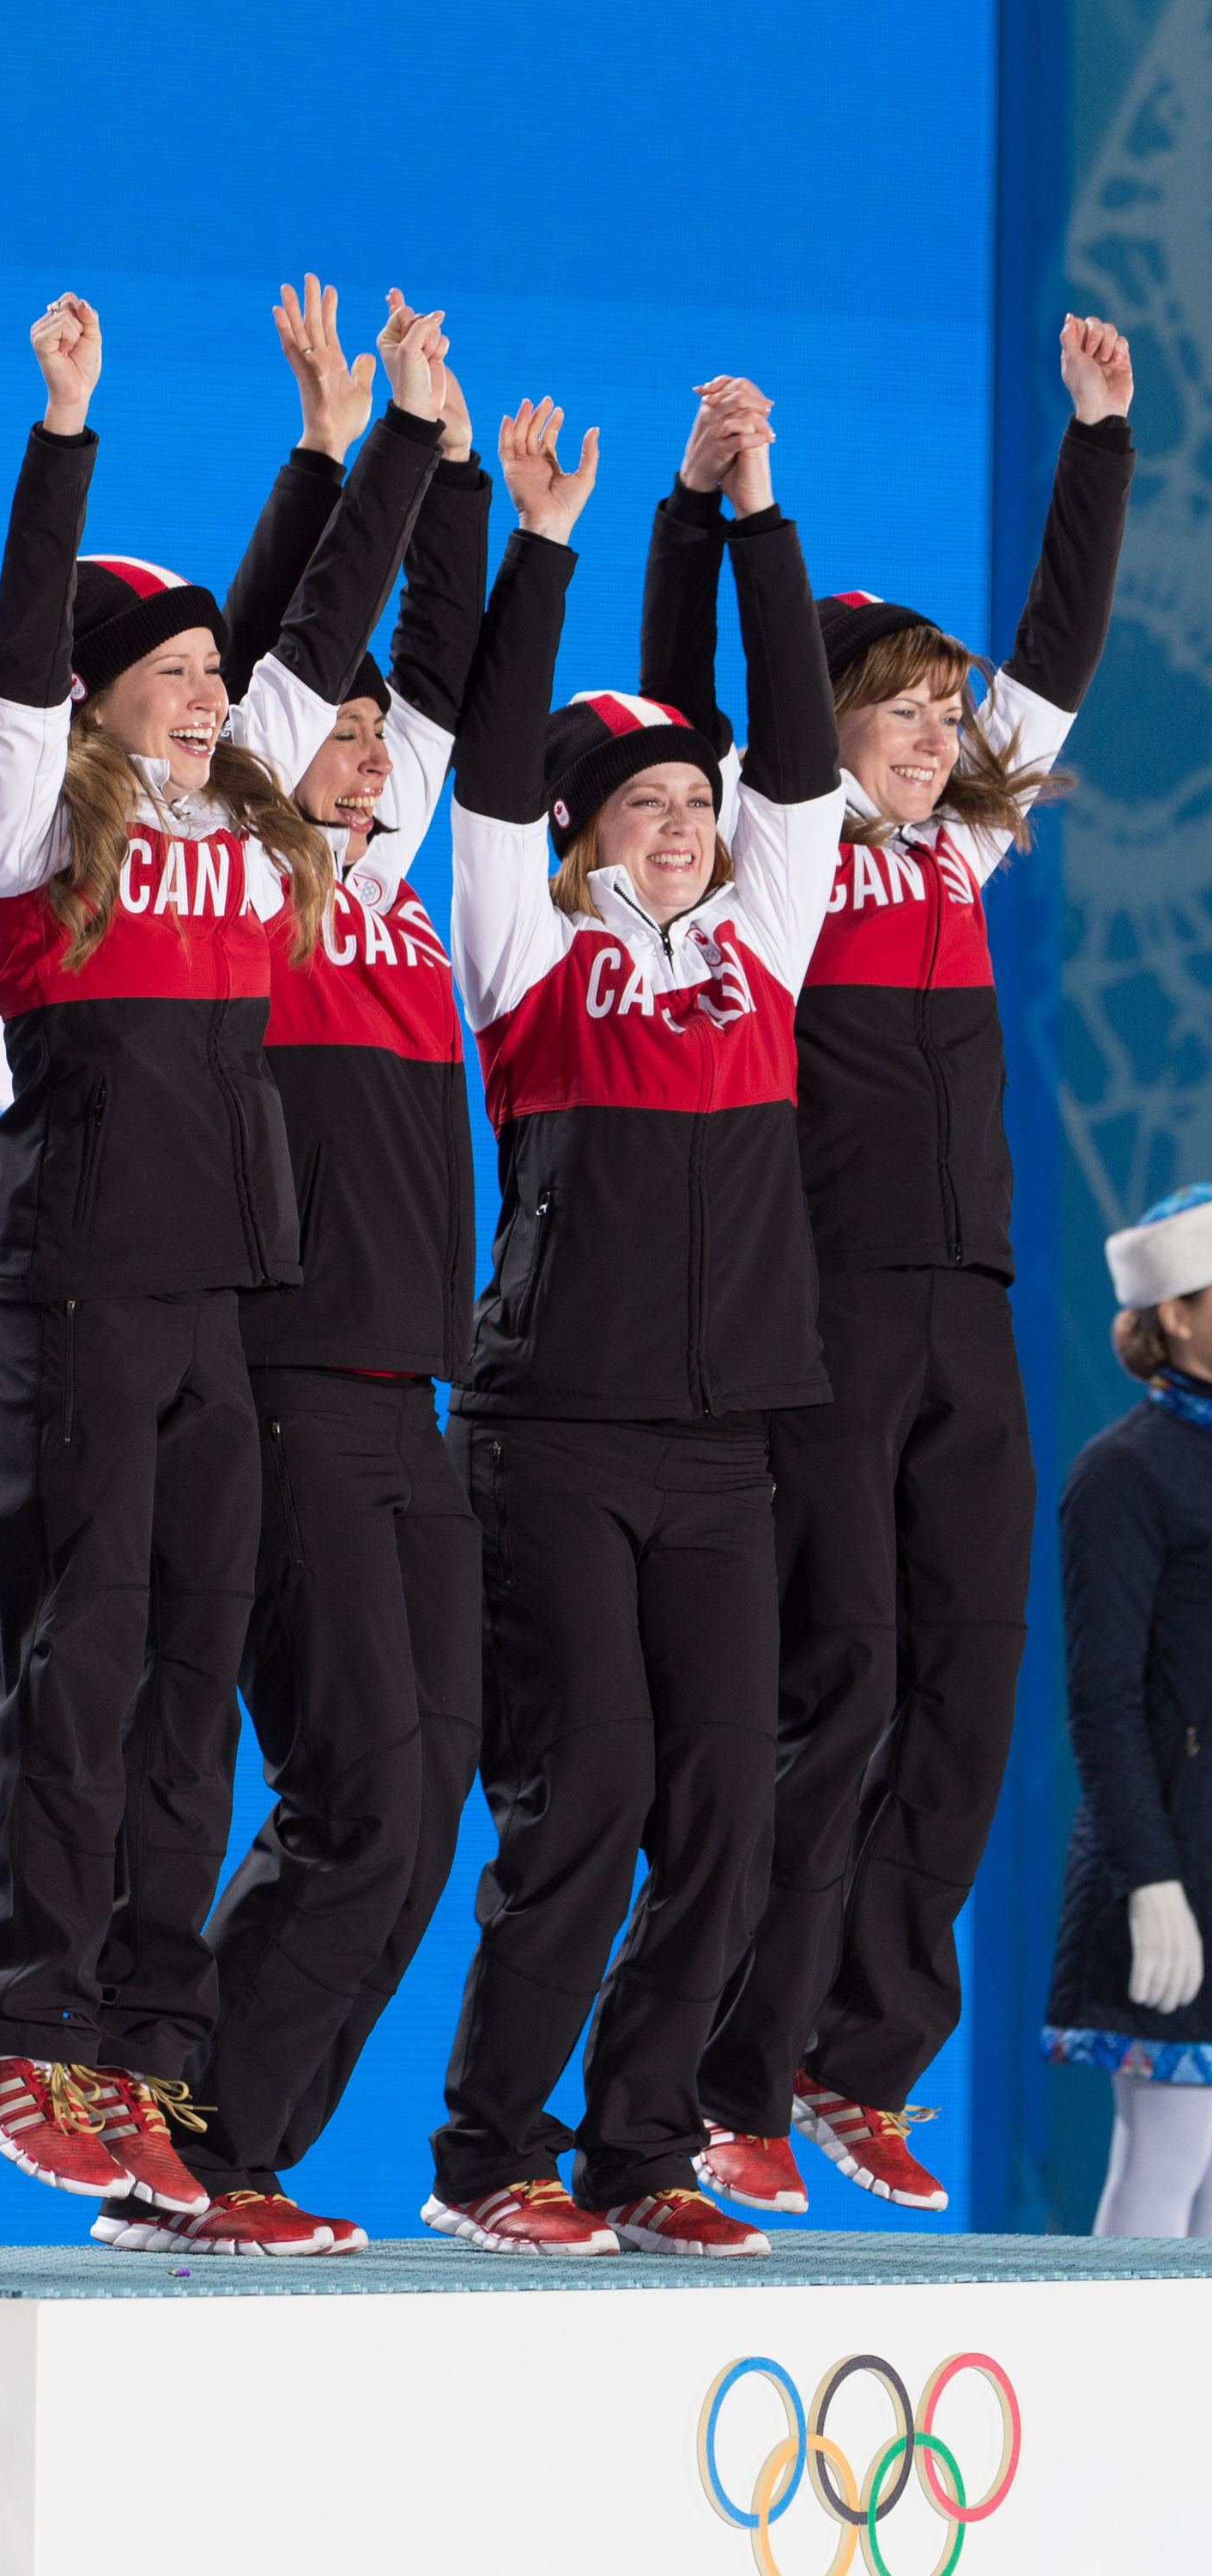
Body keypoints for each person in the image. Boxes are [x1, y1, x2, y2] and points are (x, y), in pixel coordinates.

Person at [0, 288, 450, 2224]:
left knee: (190, 1676)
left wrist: (367, 444)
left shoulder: (250, 833)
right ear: (104, 690)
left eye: (218, 673)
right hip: (72, 1288)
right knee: (80, 1656)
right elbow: (18, 652)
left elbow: (307, 639)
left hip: (219, 1304)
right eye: (178, 670)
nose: (218, 692)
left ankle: (141, 2049)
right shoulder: (28, 827)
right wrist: (62, 431)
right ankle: (16, 2021)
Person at [688, 318, 1136, 2218]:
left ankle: (860, 2058)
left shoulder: (958, 853)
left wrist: (1100, 445)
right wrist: (735, 516)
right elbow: (750, 703)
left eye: (951, 712)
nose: (947, 729)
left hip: (973, 1308)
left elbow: (1055, 660)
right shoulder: (770, 848)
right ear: (832, 716)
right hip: (835, 1302)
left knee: (967, 1687)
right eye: (908, 705)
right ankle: (736, 2065)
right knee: (840, 1678)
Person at [425, 378, 845, 2257]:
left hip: (726, 1443)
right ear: (588, 836)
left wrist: (756, 515)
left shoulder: (762, 947)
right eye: (648, 810)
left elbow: (807, 765)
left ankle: (640, 2150)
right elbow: (495, 776)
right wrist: (545, 545)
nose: (683, 833)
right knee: (583, 1797)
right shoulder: (522, 953)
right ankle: (489, 2153)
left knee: (728, 1822)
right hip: (557, 1435)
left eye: (698, 805)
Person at [100, 282, 489, 2257]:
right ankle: (197, 2150)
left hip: (410, 1408)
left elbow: (421, 660)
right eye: (319, 735)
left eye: (371, 747)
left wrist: (453, 455)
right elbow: (301, 655)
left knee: (419, 1812)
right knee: (355, 1791)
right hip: (282, 1395)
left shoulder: (402, 892)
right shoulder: (232, 884)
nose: (355, 753)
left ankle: (236, 2152)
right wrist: (356, 455)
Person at [1043, 1187, 1212, 2235]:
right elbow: (1100, 1701)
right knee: (1167, 2155)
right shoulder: (1121, 1474)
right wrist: (1149, 1879)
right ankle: (1116, 2392)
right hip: (1171, 1863)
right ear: (1178, 1315)